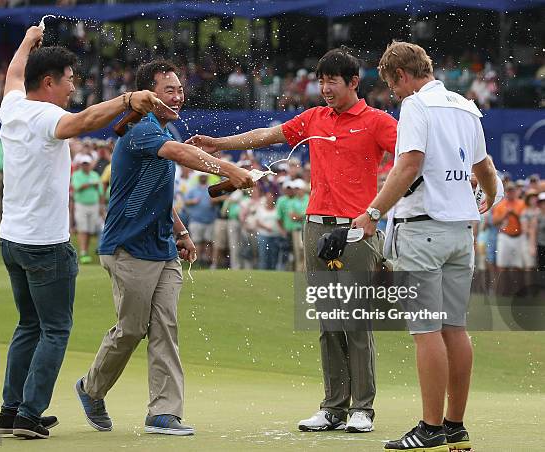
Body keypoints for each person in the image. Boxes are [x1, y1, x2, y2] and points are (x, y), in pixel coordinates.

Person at [187, 47, 398, 433]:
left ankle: (362, 408)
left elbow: (411, 159)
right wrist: (220, 144)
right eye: (320, 80)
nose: (324, 88)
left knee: (355, 322)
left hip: (356, 229)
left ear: (353, 82)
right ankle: (334, 406)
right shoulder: (315, 117)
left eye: (332, 80)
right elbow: (267, 135)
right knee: (328, 321)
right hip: (316, 227)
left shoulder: (377, 121)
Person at [0, 26, 159, 440]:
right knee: (55, 329)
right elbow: (84, 121)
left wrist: (28, 39)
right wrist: (125, 99)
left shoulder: (12, 106)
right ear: (48, 82)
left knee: (28, 325)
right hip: (44, 244)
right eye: (69, 78)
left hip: (11, 239)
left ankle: (10, 408)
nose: (74, 86)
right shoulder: (46, 115)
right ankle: (29, 415)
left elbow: (15, 73)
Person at [75, 60, 253, 436]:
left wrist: (182, 232)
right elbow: (180, 154)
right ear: (148, 95)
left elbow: (157, 192)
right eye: (168, 90)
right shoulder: (141, 130)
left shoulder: (161, 130)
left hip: (161, 248)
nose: (178, 96)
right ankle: (91, 388)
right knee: (132, 329)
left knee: (164, 329)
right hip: (126, 248)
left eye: (180, 89)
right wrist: (228, 170)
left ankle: (163, 412)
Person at [352, 40, 499, 451]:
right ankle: (455, 425)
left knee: (426, 330)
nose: (393, 94)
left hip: (422, 229)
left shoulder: (416, 105)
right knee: (456, 328)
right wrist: (491, 196)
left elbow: (408, 165)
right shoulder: (467, 105)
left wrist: (373, 213)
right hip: (460, 232)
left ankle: (431, 427)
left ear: (401, 75)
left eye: (392, 86)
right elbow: (483, 167)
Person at [71, 153, 103, 264]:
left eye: (87, 164)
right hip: (81, 204)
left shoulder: (95, 175)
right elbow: (77, 188)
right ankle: (83, 252)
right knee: (83, 229)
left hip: (94, 205)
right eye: (84, 164)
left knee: (90, 230)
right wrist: (89, 184)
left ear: (90, 165)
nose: (85, 166)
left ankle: (85, 252)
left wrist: (101, 207)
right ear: (81, 165)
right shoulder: (76, 175)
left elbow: (100, 192)